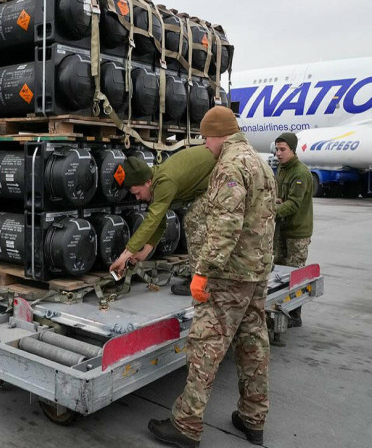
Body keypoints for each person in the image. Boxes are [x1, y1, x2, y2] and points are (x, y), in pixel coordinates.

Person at [147, 106, 277, 447]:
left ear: (218, 134)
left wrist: (203, 272)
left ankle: (186, 425)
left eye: (206, 138)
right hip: (256, 272)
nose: (205, 146)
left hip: (229, 275)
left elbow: (225, 226)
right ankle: (253, 418)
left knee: (206, 347)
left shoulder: (230, 166)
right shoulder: (261, 162)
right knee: (253, 344)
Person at [109, 147, 217, 295]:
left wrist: (124, 256)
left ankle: (202, 281)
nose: (138, 198)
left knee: (194, 220)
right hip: (210, 179)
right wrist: (144, 253)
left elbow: (152, 220)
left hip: (221, 174)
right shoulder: (155, 181)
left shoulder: (164, 182)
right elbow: (159, 221)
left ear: (147, 182)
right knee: (194, 217)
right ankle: (202, 275)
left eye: (138, 193)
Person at [273, 132, 313, 328]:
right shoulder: (282, 169)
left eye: (282, 150)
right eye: (277, 149)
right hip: (282, 229)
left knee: (294, 275)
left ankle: (295, 315)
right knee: (278, 272)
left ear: (292, 150)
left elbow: (294, 204)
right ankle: (280, 309)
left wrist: (271, 210)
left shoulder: (300, 172)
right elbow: (282, 197)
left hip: (297, 232)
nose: (278, 154)